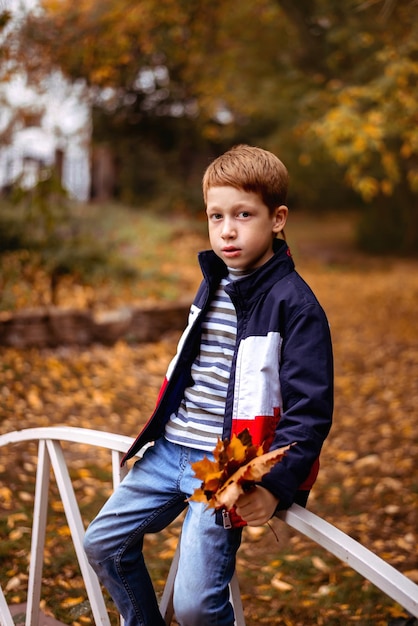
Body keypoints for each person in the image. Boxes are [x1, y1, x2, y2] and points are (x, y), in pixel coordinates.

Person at [84, 144, 333, 626]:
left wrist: (275, 485)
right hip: (171, 447)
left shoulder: (296, 306)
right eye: (215, 217)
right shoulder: (214, 281)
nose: (227, 230)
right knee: (102, 543)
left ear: (277, 218)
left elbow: (310, 410)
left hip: (222, 468)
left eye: (243, 214)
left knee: (197, 607)